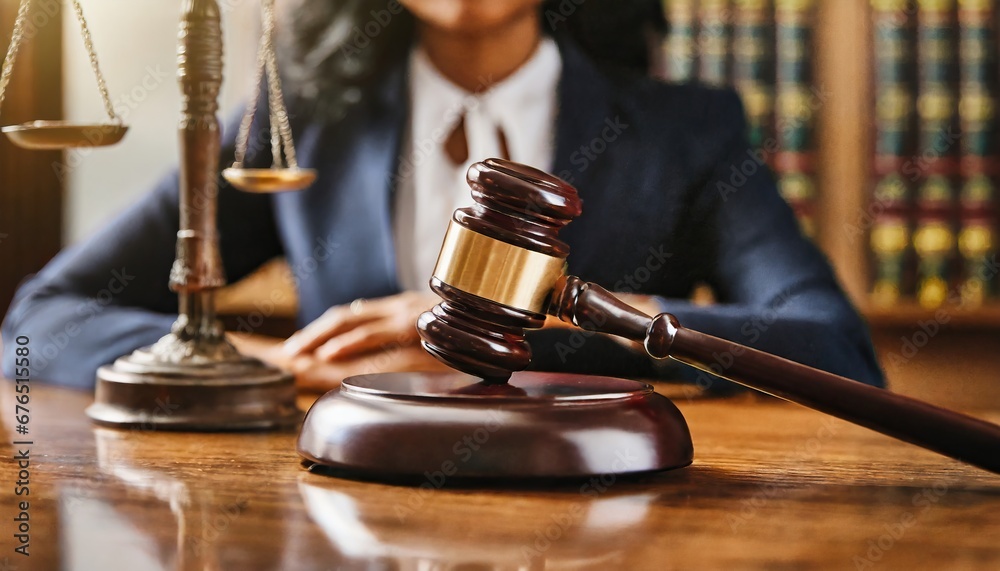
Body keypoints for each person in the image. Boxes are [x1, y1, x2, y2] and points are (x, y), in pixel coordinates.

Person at [1, 0, 884, 391]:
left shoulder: (686, 131)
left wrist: (554, 329)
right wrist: (271, 367)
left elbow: (838, 354)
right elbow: (41, 323)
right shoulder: (301, 127)